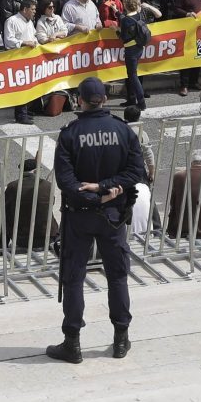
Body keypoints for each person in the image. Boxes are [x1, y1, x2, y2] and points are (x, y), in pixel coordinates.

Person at [46, 76, 147, 364]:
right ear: (103, 99)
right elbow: (134, 172)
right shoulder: (122, 130)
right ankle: (120, 338)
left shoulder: (70, 134)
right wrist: (107, 190)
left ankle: (72, 342)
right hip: (114, 215)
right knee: (117, 276)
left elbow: (66, 182)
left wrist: (96, 193)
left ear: (79, 100)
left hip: (79, 217)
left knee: (74, 278)